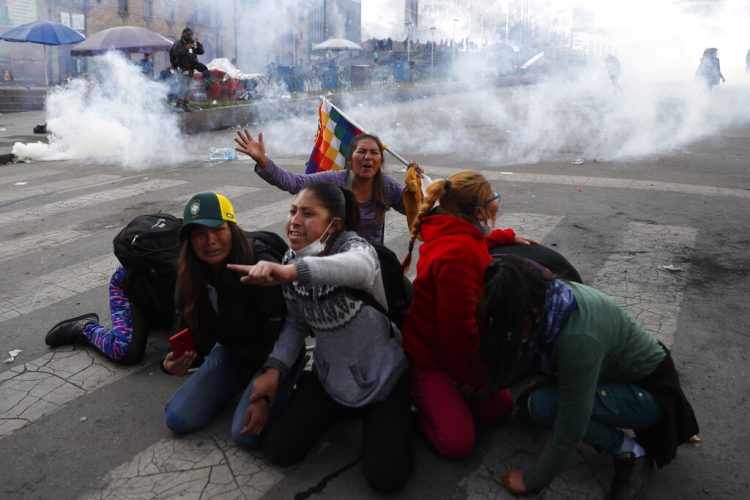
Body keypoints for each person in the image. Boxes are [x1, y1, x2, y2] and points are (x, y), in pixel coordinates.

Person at [227, 182, 414, 493]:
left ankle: (394, 415)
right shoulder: (290, 259)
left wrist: (290, 272)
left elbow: (359, 268)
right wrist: (274, 372)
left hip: (383, 378)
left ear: (334, 225)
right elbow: (296, 324)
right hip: (331, 379)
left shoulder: (357, 250)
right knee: (278, 450)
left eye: (308, 213)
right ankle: (346, 411)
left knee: (386, 478)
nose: (294, 221)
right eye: (292, 211)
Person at [479, 255, 699, 500]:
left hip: (650, 393)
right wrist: (489, 386)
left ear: (531, 311)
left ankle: (632, 453)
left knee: (548, 407)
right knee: (533, 406)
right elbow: (525, 351)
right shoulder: (550, 298)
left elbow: (571, 426)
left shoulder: (578, 339)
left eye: (511, 326)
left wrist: (531, 480)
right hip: (616, 372)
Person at [400, 171, 537, 459]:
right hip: (431, 357)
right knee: (457, 443)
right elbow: (456, 333)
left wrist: (504, 236)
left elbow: (477, 244)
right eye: (493, 199)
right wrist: (472, 382)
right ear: (477, 211)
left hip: (454, 351)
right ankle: (415, 400)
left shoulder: (456, 232)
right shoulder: (457, 253)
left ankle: (449, 397)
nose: (496, 202)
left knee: (498, 409)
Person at [162, 192, 299, 450]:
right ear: (190, 241)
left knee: (244, 435)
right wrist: (170, 363)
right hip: (231, 353)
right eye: (199, 234)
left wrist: (270, 381)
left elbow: (288, 327)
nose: (210, 241)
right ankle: (239, 383)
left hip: (275, 356)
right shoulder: (191, 274)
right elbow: (183, 326)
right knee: (177, 418)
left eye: (218, 229)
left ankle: (294, 389)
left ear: (232, 228)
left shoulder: (259, 265)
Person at [234, 130, 420, 244]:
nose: (368, 157)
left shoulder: (386, 186)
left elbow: (417, 214)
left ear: (380, 160)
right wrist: (263, 161)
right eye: (361, 151)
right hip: (333, 261)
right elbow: (294, 183)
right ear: (349, 159)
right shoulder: (333, 180)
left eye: (374, 153)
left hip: (373, 263)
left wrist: (416, 188)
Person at [169, 27, 207, 111]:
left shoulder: (191, 43)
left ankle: (185, 104)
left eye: (190, 34)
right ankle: (179, 103)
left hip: (190, 68)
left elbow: (200, 52)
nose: (189, 36)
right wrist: (186, 48)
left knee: (189, 86)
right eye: (187, 34)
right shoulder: (178, 43)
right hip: (182, 68)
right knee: (182, 86)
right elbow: (176, 53)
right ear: (183, 34)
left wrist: (198, 43)